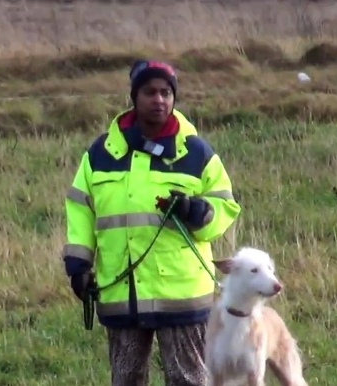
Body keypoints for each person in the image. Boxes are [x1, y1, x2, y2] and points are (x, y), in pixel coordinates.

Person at [61, 60, 241, 386]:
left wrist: (197, 211)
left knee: (188, 380)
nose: (159, 100)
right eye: (149, 92)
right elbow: (80, 208)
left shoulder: (197, 153)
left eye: (166, 93)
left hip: (182, 294)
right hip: (121, 291)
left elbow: (225, 206)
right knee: (126, 380)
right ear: (134, 96)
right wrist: (78, 264)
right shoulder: (101, 153)